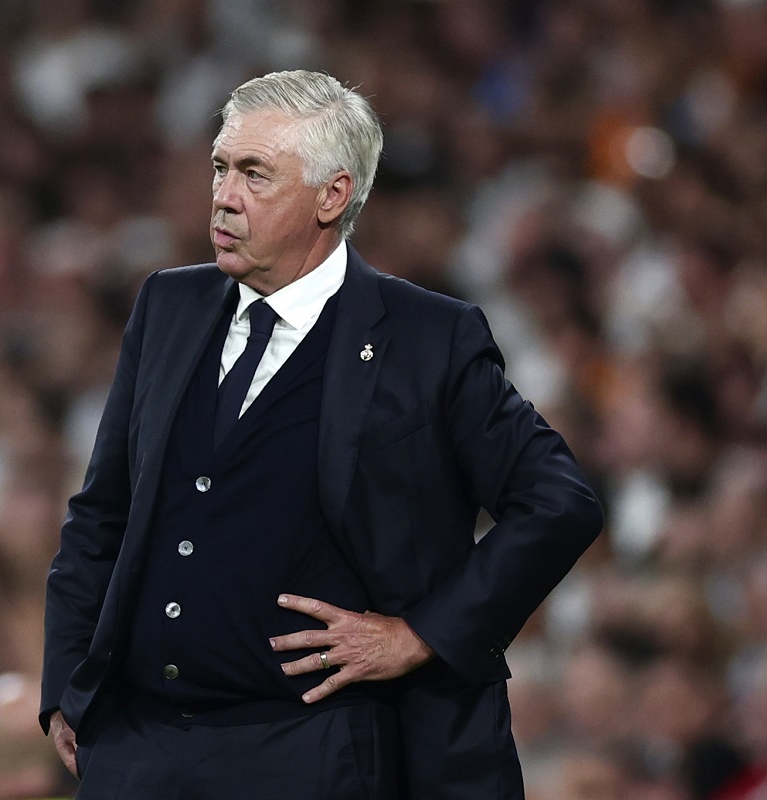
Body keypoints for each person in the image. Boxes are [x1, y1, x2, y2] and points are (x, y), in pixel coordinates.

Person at [40, 69, 603, 799]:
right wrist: (67, 685)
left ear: (332, 196)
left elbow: (559, 501)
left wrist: (422, 634)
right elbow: (102, 511)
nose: (224, 195)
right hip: (139, 748)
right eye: (220, 168)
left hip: (315, 753)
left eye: (254, 174)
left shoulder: (426, 337)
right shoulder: (167, 305)